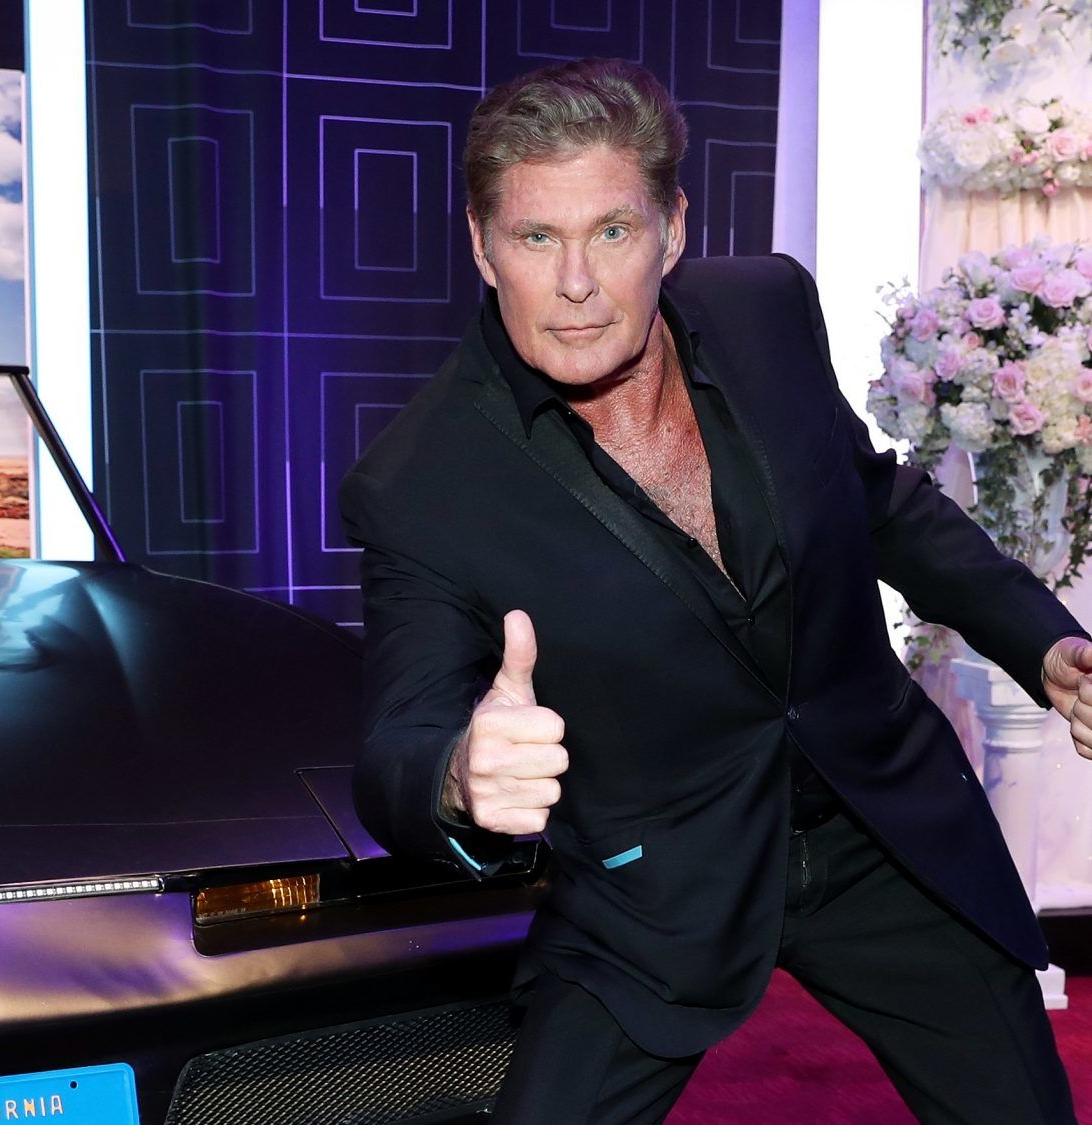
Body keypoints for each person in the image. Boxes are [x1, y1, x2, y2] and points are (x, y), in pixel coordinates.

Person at [340, 57, 1091, 1124]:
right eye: (535, 237)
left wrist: (1043, 644)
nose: (575, 282)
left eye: (611, 230)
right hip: (654, 885)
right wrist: (458, 777)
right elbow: (396, 739)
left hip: (882, 830)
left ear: (672, 229)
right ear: (480, 244)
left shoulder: (766, 311)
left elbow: (876, 502)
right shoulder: (420, 480)